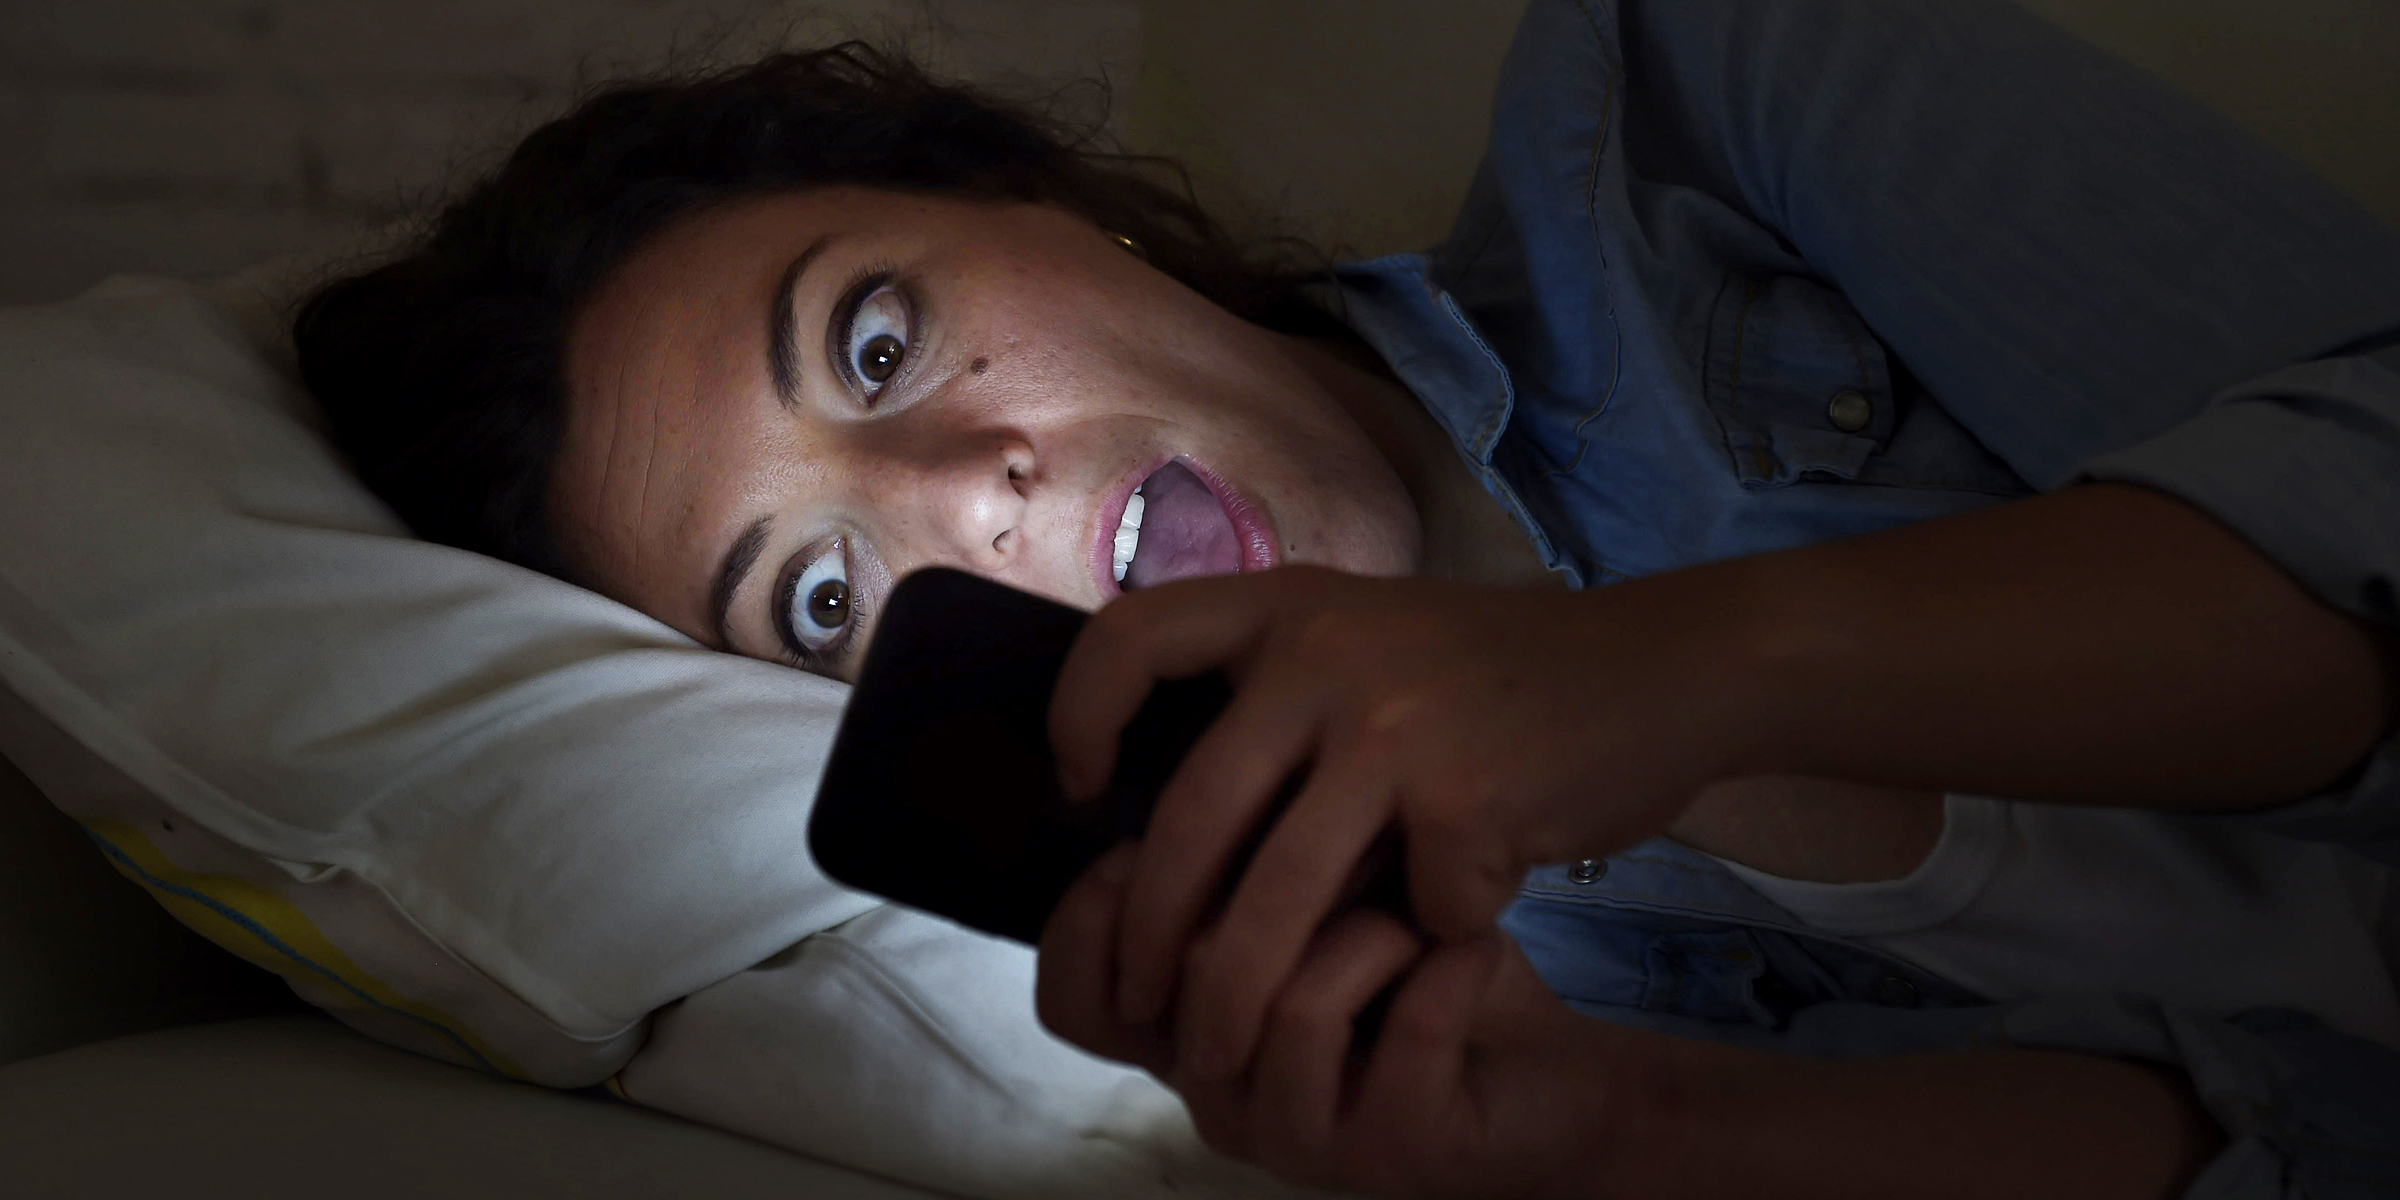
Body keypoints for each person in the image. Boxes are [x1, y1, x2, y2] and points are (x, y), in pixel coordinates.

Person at [292, 0, 2400, 1196]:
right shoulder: (1411, 965)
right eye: (828, 600)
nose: (972, 498)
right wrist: (1639, 1128)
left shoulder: (1693, 119)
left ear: (1031, 196)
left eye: (873, 347)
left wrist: (1693, 668)